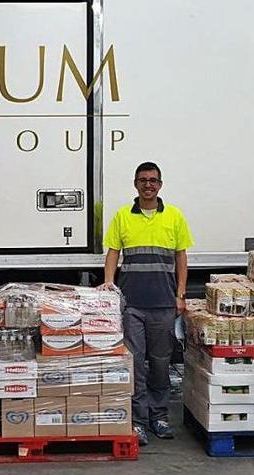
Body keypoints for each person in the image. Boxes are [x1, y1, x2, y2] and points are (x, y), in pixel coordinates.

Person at [99, 161, 194, 446]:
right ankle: (138, 421)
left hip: (164, 304)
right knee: (136, 364)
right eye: (143, 180)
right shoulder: (122, 216)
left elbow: (181, 257)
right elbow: (113, 252)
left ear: (160, 185)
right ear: (135, 184)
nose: (148, 185)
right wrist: (108, 283)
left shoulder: (174, 217)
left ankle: (159, 416)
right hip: (133, 305)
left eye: (153, 180)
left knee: (161, 363)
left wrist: (180, 294)